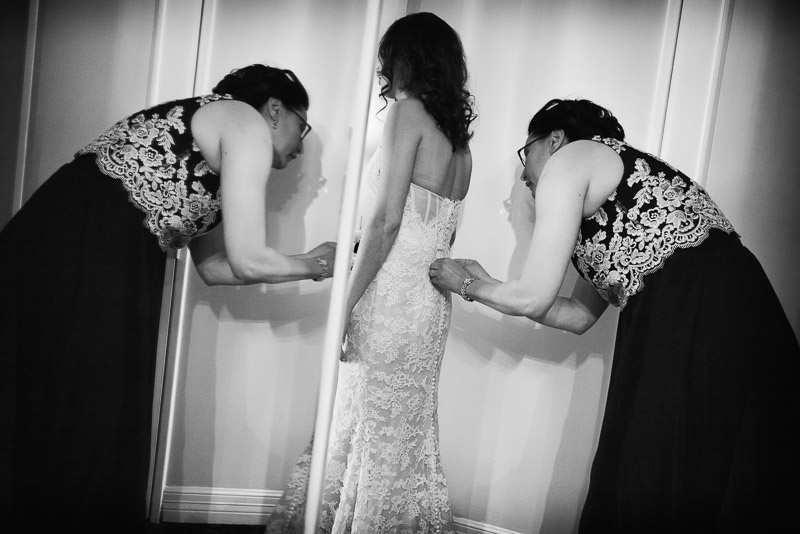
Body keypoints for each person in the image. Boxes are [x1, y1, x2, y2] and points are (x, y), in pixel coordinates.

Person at [429, 98, 799, 533]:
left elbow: (531, 298)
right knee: (686, 464)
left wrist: (467, 285)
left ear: (554, 139)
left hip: (701, 301)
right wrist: (489, 283)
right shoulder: (604, 205)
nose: (524, 174)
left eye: (524, 153)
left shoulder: (570, 160)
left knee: (661, 461)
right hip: (708, 303)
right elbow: (577, 315)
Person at [0, 64, 336, 531]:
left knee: (83, 398)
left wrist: (308, 263)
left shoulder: (218, 144)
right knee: (86, 401)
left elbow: (216, 268)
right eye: (304, 125)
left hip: (101, 248)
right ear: (275, 110)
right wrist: (320, 263)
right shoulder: (244, 121)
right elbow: (248, 260)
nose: (302, 145)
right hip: (83, 240)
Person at [266, 12, 476, 533]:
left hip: (389, 297)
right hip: (427, 309)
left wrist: (345, 305)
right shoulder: (463, 148)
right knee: (400, 431)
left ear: (405, 61)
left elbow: (384, 223)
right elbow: (442, 239)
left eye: (388, 61)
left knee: (368, 424)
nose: (384, 72)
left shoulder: (407, 115)